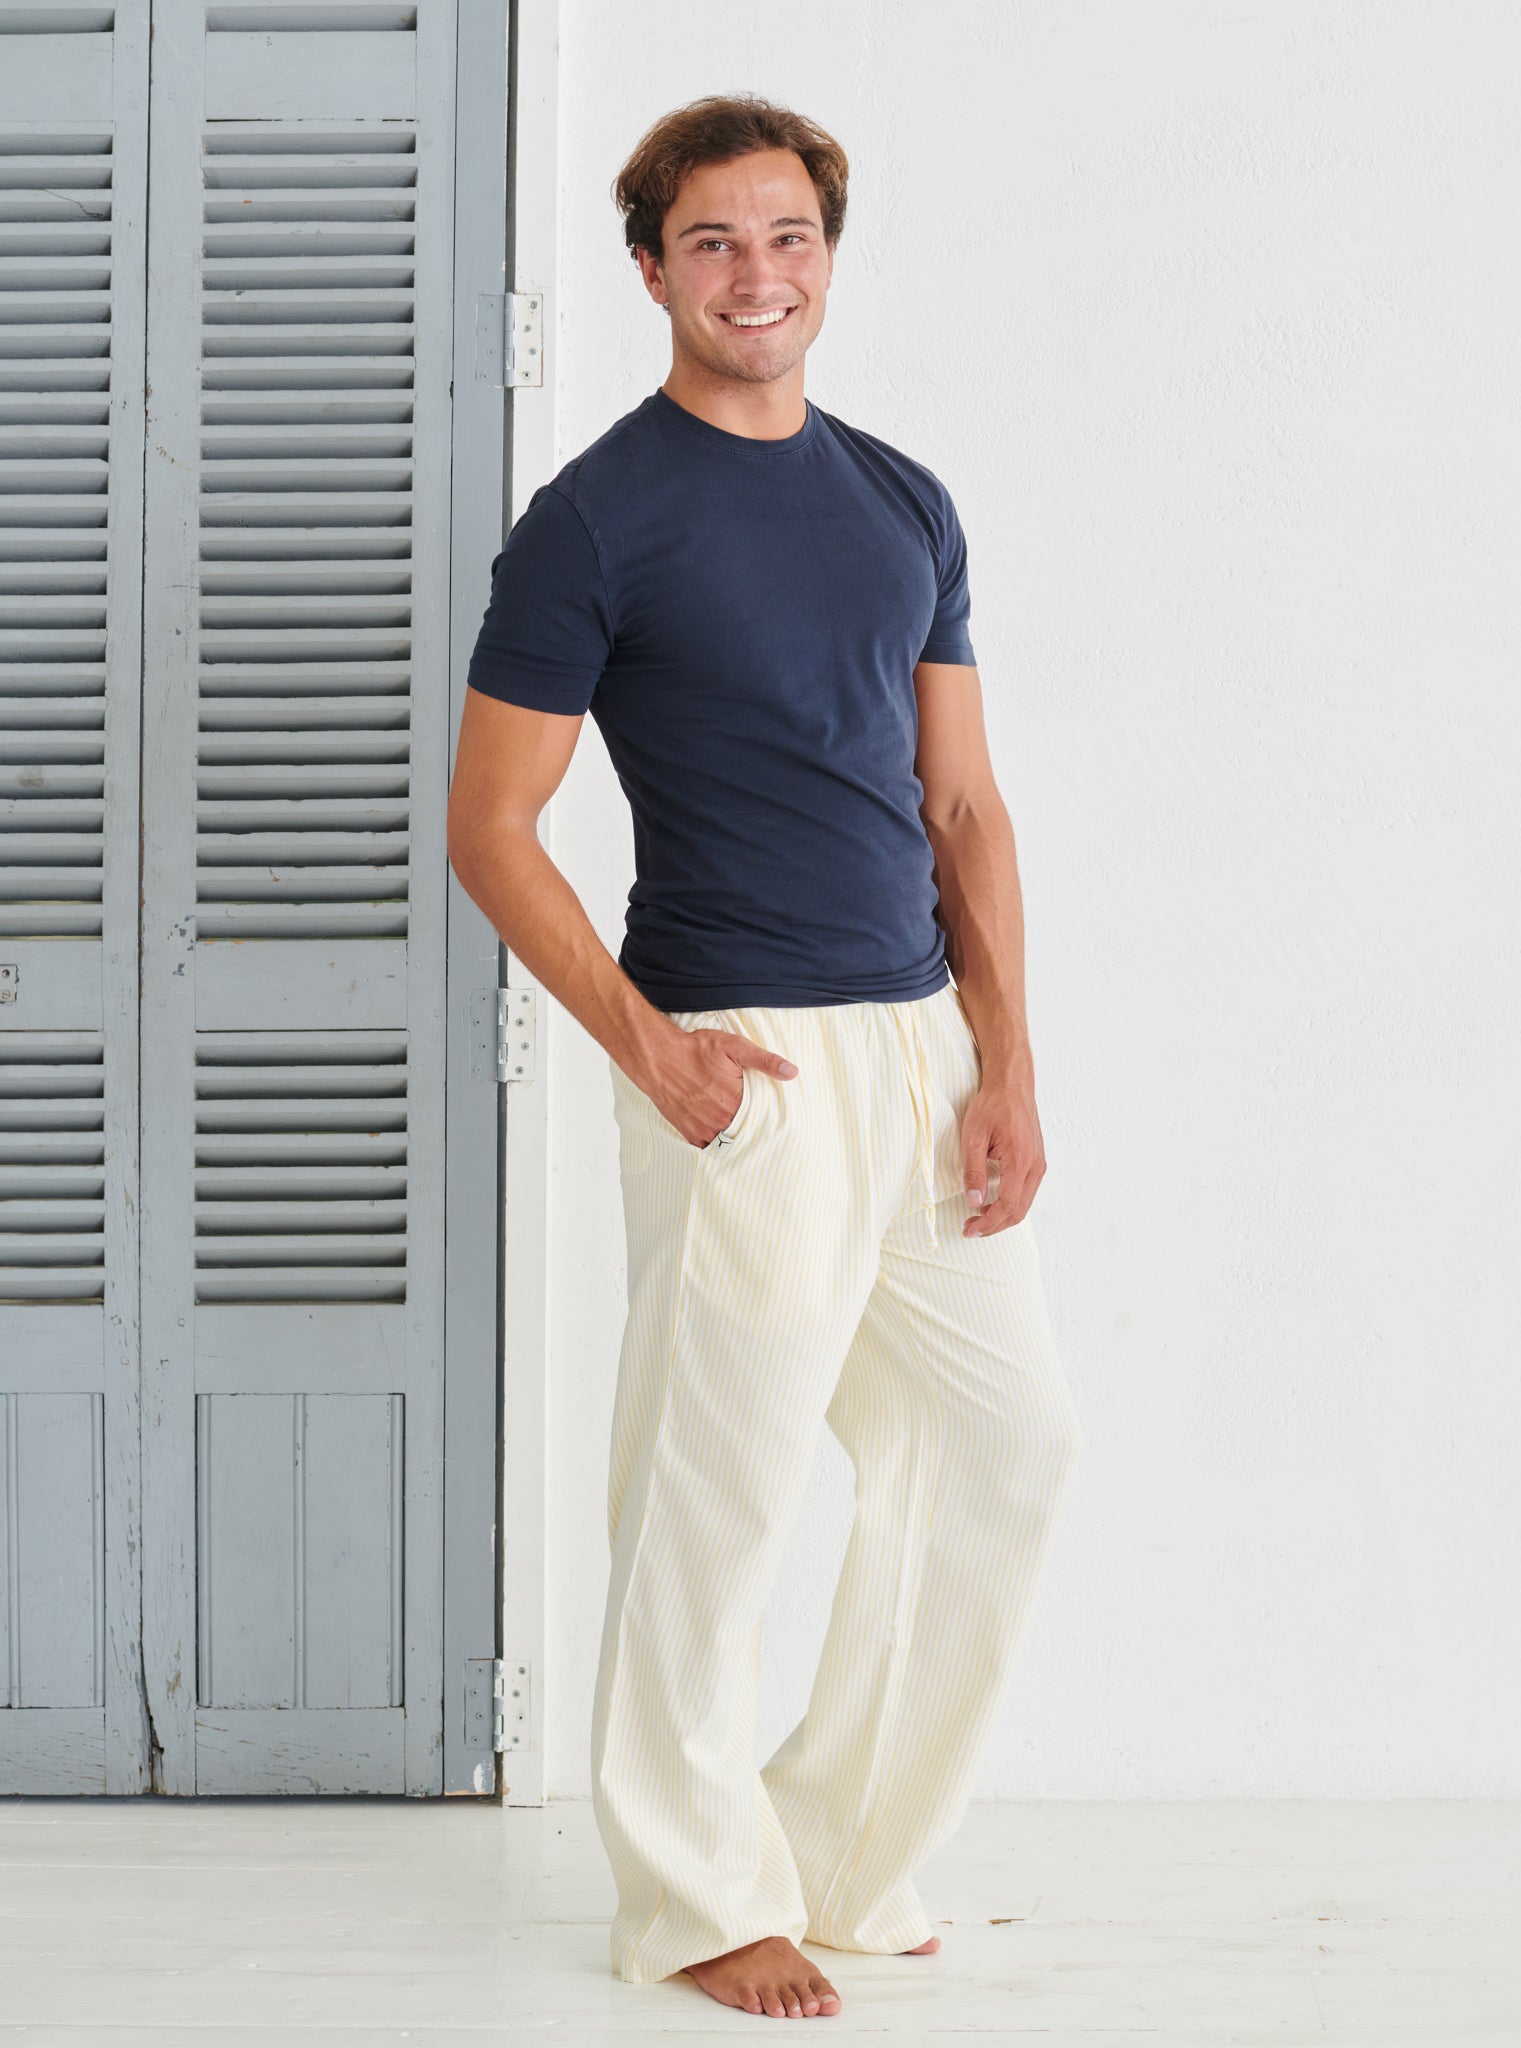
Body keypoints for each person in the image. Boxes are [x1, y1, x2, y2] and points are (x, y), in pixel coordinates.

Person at [448, 93, 1081, 2023]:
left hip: (917, 1050)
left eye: (788, 236)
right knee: (709, 1490)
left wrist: (1005, 1061)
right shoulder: (593, 523)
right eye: (714, 241)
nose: (757, 275)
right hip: (742, 1057)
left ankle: (833, 1854)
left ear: (827, 256)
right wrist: (654, 1052)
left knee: (1001, 1444)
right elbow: (490, 825)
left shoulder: (902, 501)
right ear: (650, 268)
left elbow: (960, 806)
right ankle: (692, 1897)